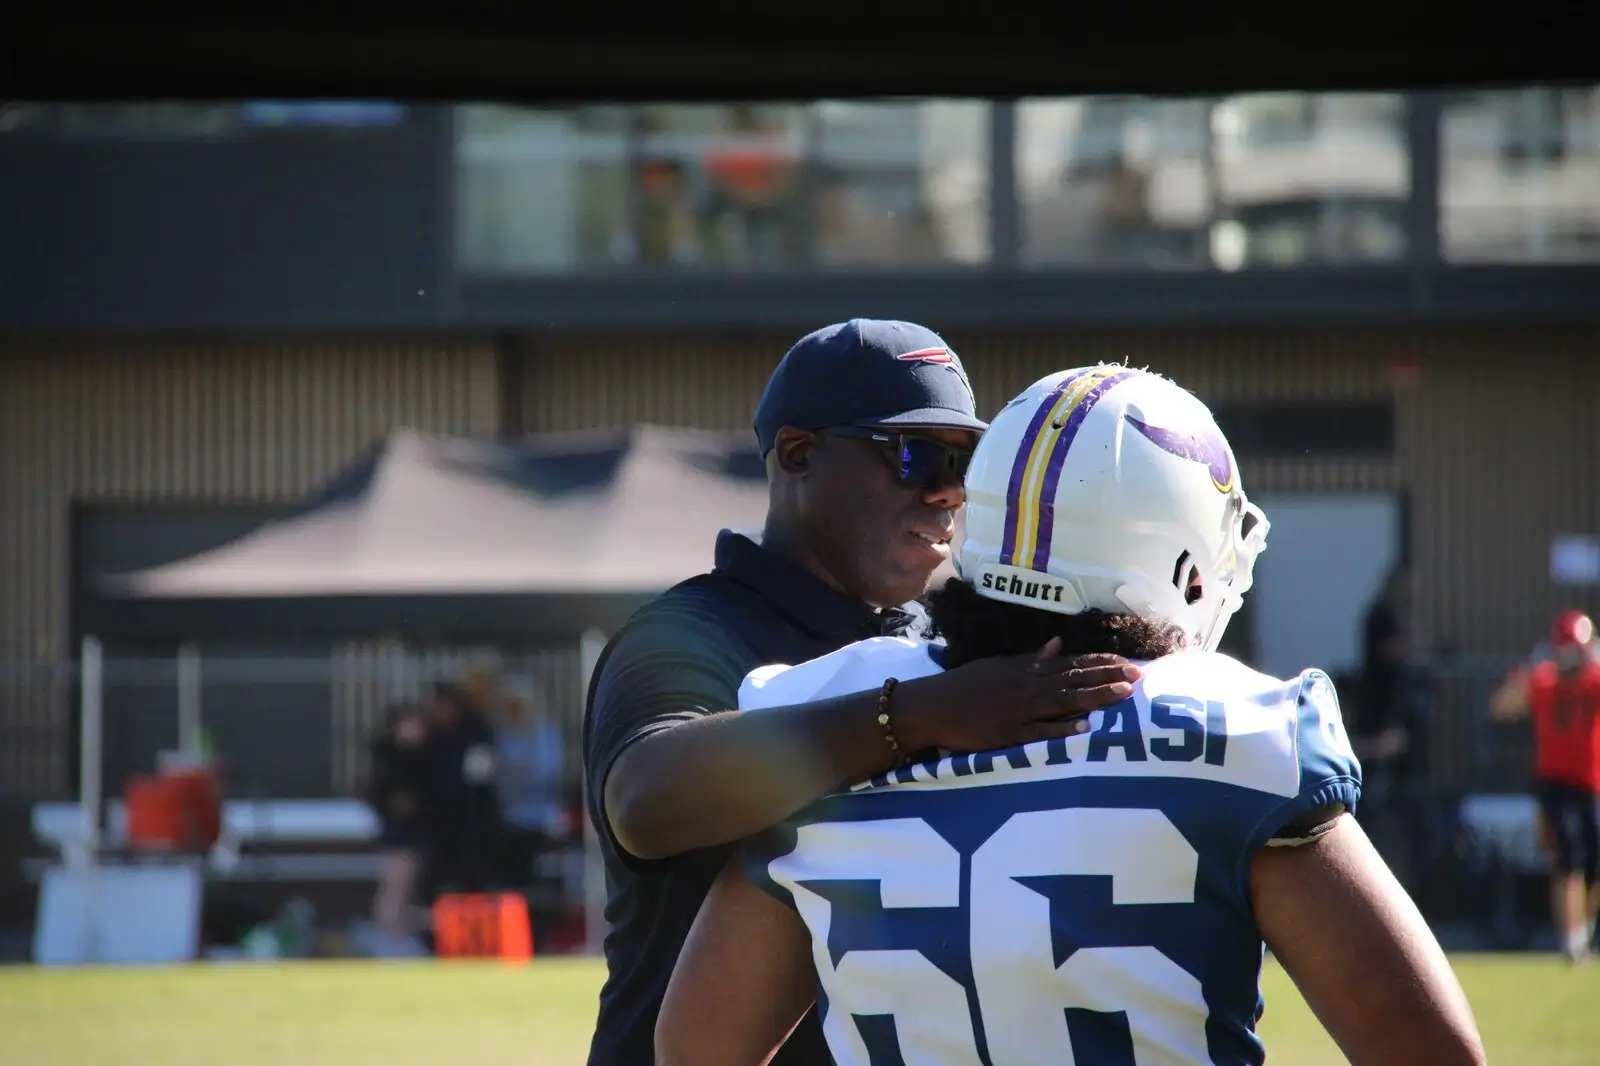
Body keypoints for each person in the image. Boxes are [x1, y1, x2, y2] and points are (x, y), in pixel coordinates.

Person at [657, 365, 1484, 1066]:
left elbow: (695, 1049)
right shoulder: (1241, 734)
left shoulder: (832, 712)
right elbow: (1431, 1051)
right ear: (1182, 559)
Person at [583, 320, 1142, 1066]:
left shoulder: (944, 643)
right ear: (798, 453)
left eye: (966, 462)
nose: (947, 491)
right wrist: (912, 717)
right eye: (913, 455)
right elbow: (646, 801)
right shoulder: (688, 631)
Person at [1490, 608, 1600, 962]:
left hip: (1593, 784)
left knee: (1593, 866)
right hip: (1554, 783)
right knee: (1568, 861)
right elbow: (1501, 708)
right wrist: (1523, 675)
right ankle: (1572, 941)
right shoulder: (1543, 680)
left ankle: (1582, 930)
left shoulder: (1595, 679)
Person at [363, 702, 430, 939]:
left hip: (417, 833)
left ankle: (398, 934)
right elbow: (380, 795)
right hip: (397, 835)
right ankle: (388, 935)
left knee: (408, 889)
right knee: (395, 885)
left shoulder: (423, 757)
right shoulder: (389, 759)